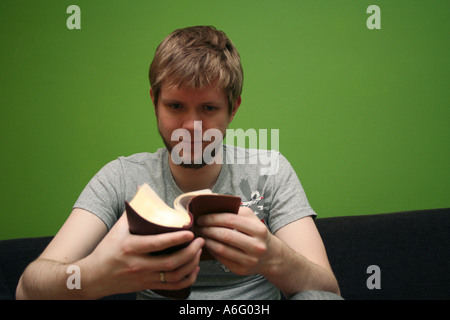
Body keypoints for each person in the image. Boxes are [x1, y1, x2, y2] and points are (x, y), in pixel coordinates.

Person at [16, 26, 341, 300]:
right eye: (175, 106)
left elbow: (327, 289)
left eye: (209, 109)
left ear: (233, 109)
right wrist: (97, 274)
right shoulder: (120, 177)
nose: (191, 126)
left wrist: (272, 256)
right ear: (154, 102)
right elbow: (27, 289)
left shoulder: (270, 170)